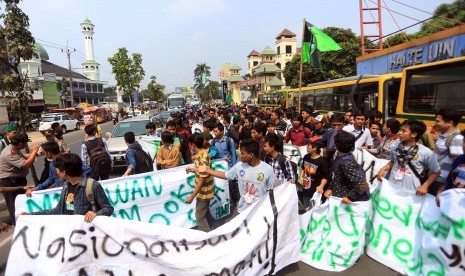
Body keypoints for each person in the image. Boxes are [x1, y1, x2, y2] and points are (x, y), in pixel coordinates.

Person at [188, 139, 277, 217]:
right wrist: (205, 169)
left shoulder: (268, 170)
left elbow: (271, 193)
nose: (239, 155)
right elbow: (225, 175)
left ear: (251, 155)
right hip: (242, 211)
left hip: (259, 213)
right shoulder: (239, 166)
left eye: (242, 153)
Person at [20, 153, 113, 221]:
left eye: (57, 170)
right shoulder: (66, 186)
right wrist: (30, 215)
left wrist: (95, 214)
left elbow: (108, 208)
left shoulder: (93, 186)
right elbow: (58, 210)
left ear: (64, 172)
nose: (56, 173)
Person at [377, 120, 440, 195]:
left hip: (411, 193)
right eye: (400, 130)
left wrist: (425, 186)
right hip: (392, 188)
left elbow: (436, 172)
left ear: (413, 134)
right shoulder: (395, 145)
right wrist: (383, 169)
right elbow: (393, 162)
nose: (399, 133)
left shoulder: (425, 152)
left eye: (403, 131)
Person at [0, 133, 39, 224]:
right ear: (20, 144)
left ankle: (25, 222)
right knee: (15, 205)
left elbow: (23, 157)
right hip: (10, 182)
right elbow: (25, 164)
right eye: (25, 143)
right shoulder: (9, 153)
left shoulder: (14, 148)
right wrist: (34, 151)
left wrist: (36, 153)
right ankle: (18, 225)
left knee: (22, 202)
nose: (26, 145)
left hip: (17, 180)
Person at [324, 131, 369, 203]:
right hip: (338, 199)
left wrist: (350, 197)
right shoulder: (340, 156)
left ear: (336, 145)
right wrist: (330, 188)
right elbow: (337, 176)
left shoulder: (346, 162)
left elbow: (362, 184)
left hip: (347, 205)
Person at [185, 133, 215, 232]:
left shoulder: (203, 158)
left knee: (199, 217)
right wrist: (193, 169)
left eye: (190, 144)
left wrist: (192, 196)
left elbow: (202, 180)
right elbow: (202, 169)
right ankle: (212, 230)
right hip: (204, 191)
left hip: (204, 192)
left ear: (193, 144)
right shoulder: (202, 155)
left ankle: (208, 238)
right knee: (205, 212)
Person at [431, 109, 464, 195]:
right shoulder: (444, 135)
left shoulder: (456, 138)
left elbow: (457, 163)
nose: (435, 123)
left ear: (450, 122)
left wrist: (445, 185)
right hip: (433, 176)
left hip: (441, 179)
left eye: (438, 121)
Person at [301, 141, 330, 208]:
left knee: (314, 210)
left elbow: (326, 176)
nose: (306, 147)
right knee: (306, 209)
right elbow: (303, 168)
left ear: (315, 148)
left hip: (315, 192)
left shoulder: (323, 162)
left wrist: (321, 186)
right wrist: (301, 177)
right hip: (305, 189)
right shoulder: (306, 157)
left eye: (308, 146)